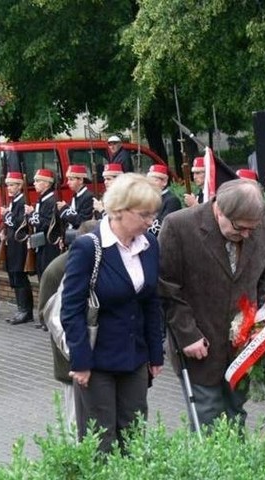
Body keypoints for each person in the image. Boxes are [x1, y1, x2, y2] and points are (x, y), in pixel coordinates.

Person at [159, 179, 265, 430]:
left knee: (237, 414)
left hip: (244, 347)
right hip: (200, 345)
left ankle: (237, 469)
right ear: (220, 211)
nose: (246, 235)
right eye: (240, 228)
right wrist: (187, 334)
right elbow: (165, 287)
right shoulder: (179, 226)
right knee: (208, 419)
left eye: (252, 229)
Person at [61, 173, 164, 453]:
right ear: (119, 211)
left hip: (135, 358)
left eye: (153, 214)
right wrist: (80, 361)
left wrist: (156, 354)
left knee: (133, 438)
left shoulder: (149, 245)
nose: (150, 221)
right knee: (100, 442)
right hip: (97, 362)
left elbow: (151, 302)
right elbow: (71, 310)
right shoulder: (88, 247)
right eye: (144, 214)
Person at [38, 219, 99, 430]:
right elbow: (45, 313)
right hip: (69, 351)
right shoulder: (57, 269)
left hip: (99, 352)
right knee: (76, 416)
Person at [0, 171, 34, 325]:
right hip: (12, 243)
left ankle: (26, 311)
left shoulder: (22, 202)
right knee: (13, 275)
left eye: (12, 184)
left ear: (20, 186)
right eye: (8, 184)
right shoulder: (14, 201)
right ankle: (20, 308)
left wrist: (7, 216)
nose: (9, 187)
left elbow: (21, 223)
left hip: (19, 244)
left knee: (20, 276)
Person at [25, 169, 61, 280]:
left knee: (47, 276)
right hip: (41, 243)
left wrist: (32, 214)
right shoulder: (42, 200)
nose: (34, 183)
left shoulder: (51, 201)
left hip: (49, 244)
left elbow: (45, 224)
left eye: (37, 180)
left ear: (46, 183)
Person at [56, 164, 94, 243]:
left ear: (80, 180)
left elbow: (83, 222)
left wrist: (65, 209)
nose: (68, 183)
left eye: (71, 179)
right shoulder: (76, 196)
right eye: (68, 179)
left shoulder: (88, 197)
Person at [146, 164, 181, 236]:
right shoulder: (148, 198)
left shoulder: (172, 201)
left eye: (155, 180)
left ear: (164, 182)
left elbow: (164, 227)